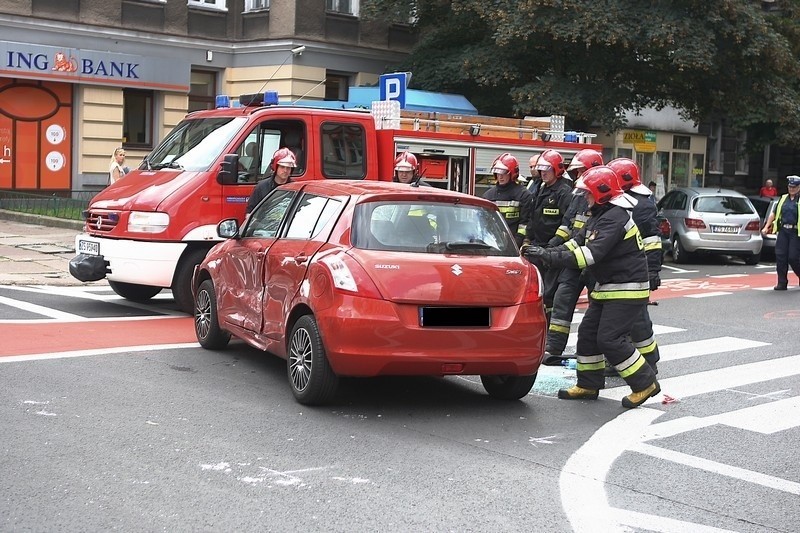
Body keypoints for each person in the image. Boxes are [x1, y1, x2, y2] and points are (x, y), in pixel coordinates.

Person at [523, 166, 660, 409]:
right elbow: (575, 243)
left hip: (626, 290)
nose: (584, 198)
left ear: (601, 194)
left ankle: (645, 383)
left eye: (587, 193)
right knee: (587, 335)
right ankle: (588, 383)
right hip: (609, 287)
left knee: (610, 339)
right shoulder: (600, 215)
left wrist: (549, 257)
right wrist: (545, 253)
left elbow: (588, 255)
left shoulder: (614, 218)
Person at [542, 149, 603, 365]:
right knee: (561, 299)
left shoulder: (606, 197)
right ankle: (553, 348)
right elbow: (568, 225)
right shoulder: (578, 195)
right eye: (577, 172)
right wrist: (553, 248)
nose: (578, 176)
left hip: (597, 262)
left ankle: (605, 351)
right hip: (575, 259)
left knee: (601, 309)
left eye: (581, 171)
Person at [608, 157, 662, 375]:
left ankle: (650, 360)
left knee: (638, 319)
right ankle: (624, 360)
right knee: (620, 320)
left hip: (636, 271)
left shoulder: (642, 205)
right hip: (619, 269)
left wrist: (652, 271)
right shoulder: (621, 200)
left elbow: (652, 240)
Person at [524, 149, 573, 322]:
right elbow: (532, 217)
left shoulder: (564, 193)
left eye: (547, 169)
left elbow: (569, 223)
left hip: (552, 250)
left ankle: (548, 323)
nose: (542, 172)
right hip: (537, 247)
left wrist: (552, 247)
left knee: (549, 292)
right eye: (541, 169)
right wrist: (527, 239)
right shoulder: (540, 189)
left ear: (557, 170)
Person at [483, 153, 531, 246]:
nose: (500, 176)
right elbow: (485, 221)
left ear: (513, 173)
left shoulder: (523, 195)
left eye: (504, 173)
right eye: (498, 172)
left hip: (515, 241)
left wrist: (518, 241)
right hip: (492, 241)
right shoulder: (488, 195)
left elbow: (525, 223)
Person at [762, 174, 800, 290]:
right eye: (790, 187)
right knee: (780, 256)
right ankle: (782, 282)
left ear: (799, 187)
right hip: (783, 230)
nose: (791, 189)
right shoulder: (783, 199)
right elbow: (774, 213)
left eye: (794, 187)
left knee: (793, 257)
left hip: (796, 232)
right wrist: (766, 226)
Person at [246, 147, 296, 214]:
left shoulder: (295, 188)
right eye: (282, 167)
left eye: (288, 168)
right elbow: (250, 212)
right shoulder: (261, 187)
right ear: (276, 167)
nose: (285, 170)